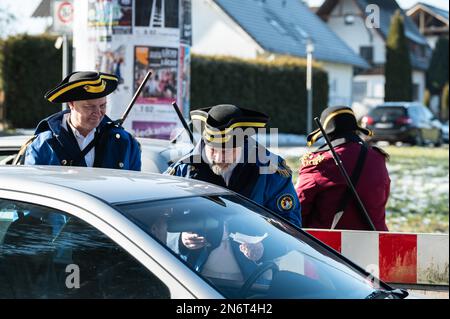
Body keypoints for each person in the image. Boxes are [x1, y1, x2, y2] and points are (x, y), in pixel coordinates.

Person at [166, 104, 301, 227]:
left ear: (242, 145)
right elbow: (160, 220)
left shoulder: (270, 170)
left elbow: (290, 224)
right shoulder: (182, 170)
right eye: (212, 150)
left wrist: (264, 245)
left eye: (225, 152)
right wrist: (182, 239)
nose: (218, 158)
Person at [21, 71, 141, 170]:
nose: (98, 113)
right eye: (90, 107)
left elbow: (135, 191)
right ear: (71, 104)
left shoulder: (125, 143)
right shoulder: (43, 145)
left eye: (103, 106)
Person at [296, 106, 390, 231]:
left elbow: (298, 208)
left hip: (327, 246)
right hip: (374, 243)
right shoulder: (377, 158)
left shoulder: (319, 162)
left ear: (326, 133)